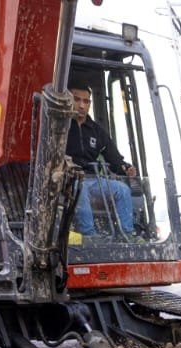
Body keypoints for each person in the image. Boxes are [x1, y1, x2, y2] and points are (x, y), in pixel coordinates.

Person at [66, 84, 137, 240]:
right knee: (80, 188)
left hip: (93, 180)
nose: (81, 105)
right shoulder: (61, 126)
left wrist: (125, 168)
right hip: (68, 180)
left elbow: (113, 157)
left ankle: (127, 234)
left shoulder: (96, 131)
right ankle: (90, 236)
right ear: (68, 100)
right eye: (77, 100)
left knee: (122, 190)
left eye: (86, 101)